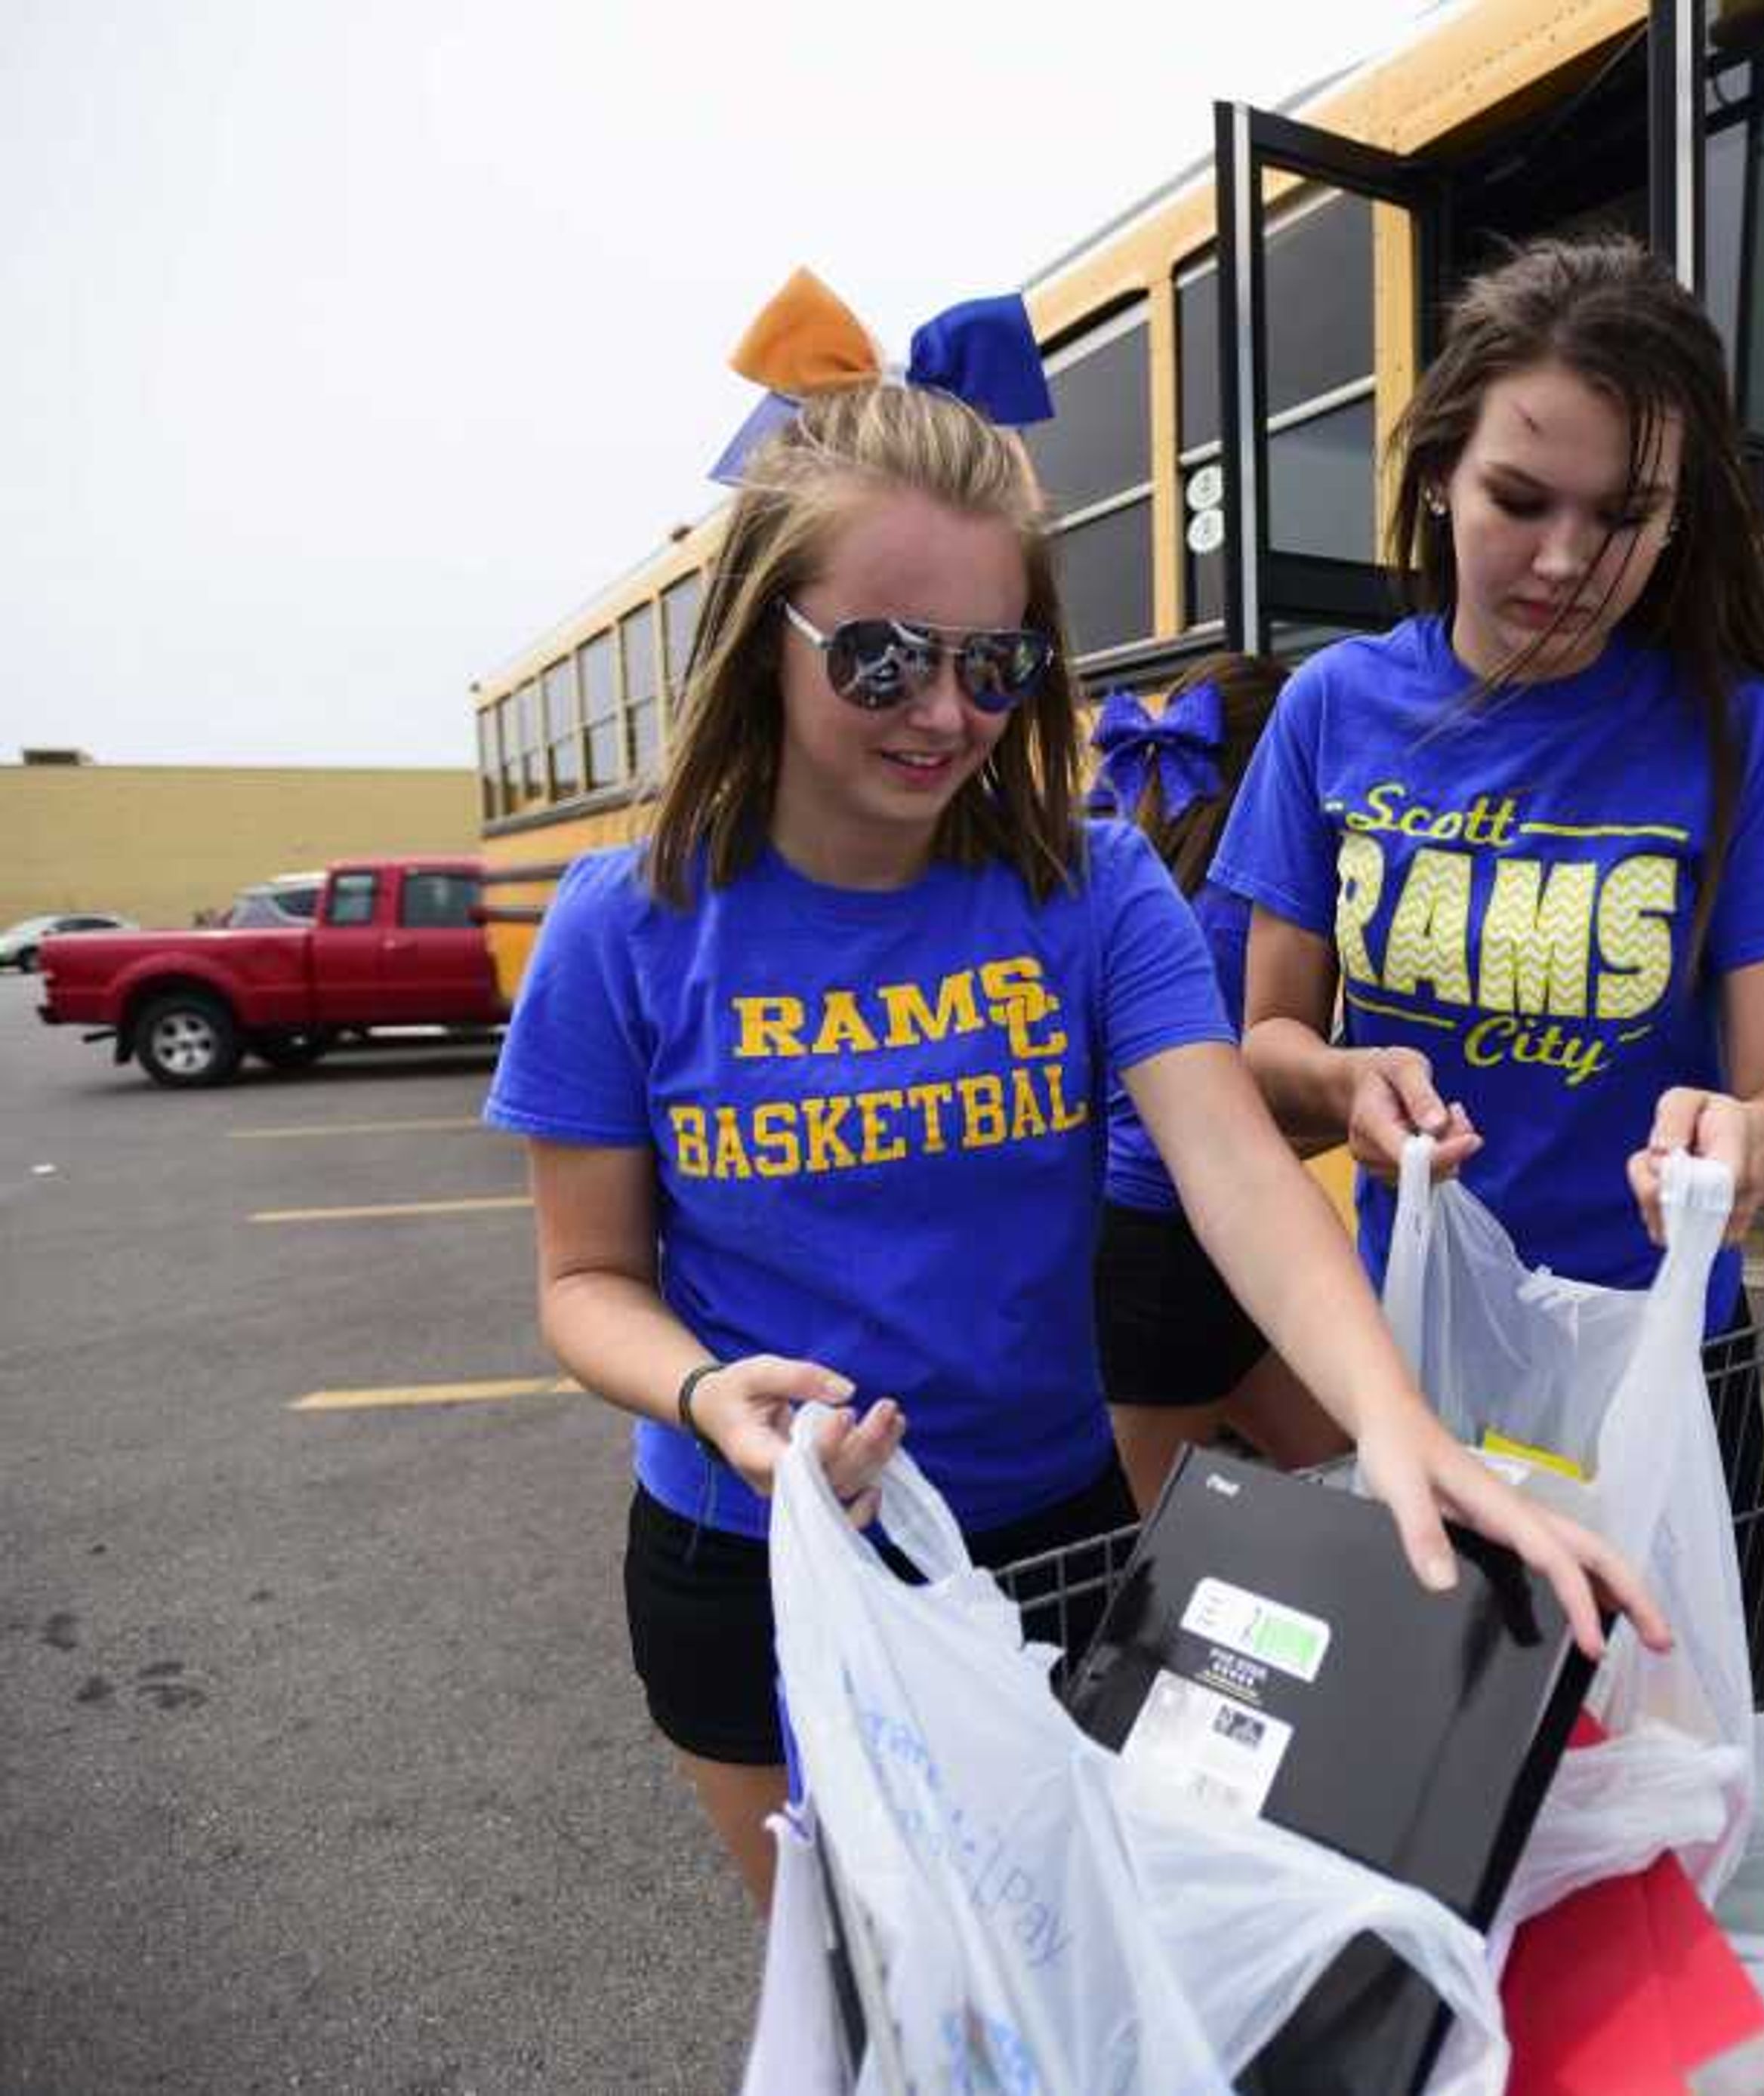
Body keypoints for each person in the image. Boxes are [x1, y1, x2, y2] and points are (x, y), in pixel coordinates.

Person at [483, 273, 1664, 1910]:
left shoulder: (1093, 891)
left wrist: (1397, 1422)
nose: (951, 713)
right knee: (859, 1976)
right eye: (885, 659)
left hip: (1045, 1536)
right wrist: (706, 1397)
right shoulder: (627, 926)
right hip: (750, 1557)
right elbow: (587, 1278)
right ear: (770, 636)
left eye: (998, 659)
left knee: (1071, 1955)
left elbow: (1238, 1170)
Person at [1214, 236, 1764, 1505]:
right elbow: (1264, 1047)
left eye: (1624, 517)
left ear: (1679, 519)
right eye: (1520, 501)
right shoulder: (1330, 711)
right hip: (1406, 1362)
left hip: (1658, 1368)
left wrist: (1749, 1147)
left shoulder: (1752, 741)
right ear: (1437, 483)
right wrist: (1346, 1081)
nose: (1569, 561)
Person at [1087, 655, 1349, 1510]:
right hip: (1164, 1248)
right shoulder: (1244, 914)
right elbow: (1245, 1109)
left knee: (1345, 1470)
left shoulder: (1151, 881)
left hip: (1160, 1238)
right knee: (1142, 1552)